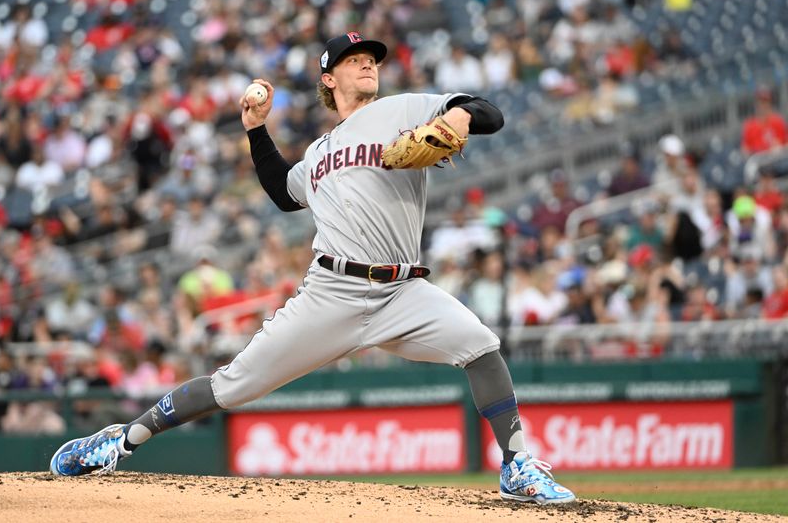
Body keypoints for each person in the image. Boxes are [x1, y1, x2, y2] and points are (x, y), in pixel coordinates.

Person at [49, 32, 575, 505]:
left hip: (402, 291)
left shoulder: (404, 108)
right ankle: (121, 439)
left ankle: (516, 466)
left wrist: (458, 117)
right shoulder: (319, 150)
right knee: (232, 386)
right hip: (331, 294)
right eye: (354, 59)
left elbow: (489, 113)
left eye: (371, 58)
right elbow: (283, 192)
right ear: (330, 78)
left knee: (480, 345)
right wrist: (256, 131)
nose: (368, 63)